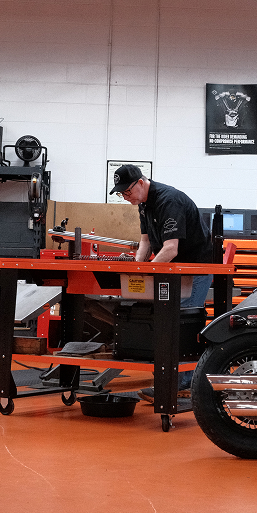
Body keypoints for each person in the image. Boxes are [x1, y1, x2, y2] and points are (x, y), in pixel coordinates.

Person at [109, 164, 216, 397]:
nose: (126, 198)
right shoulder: (143, 205)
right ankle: (172, 380)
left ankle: (183, 384)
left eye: (127, 192)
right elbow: (145, 241)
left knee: (184, 319)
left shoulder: (169, 201)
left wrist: (147, 272)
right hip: (174, 270)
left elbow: (171, 248)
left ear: (140, 182)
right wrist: (137, 270)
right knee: (166, 318)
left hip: (194, 269)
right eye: (121, 194)